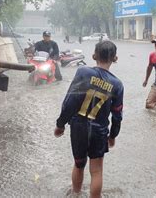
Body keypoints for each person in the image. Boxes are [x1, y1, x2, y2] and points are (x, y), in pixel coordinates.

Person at [54, 41, 124, 198]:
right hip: (99, 130)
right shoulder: (117, 84)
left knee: (79, 165)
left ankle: (76, 194)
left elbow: (70, 101)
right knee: (97, 171)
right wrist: (113, 136)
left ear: (94, 56)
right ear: (115, 58)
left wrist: (60, 124)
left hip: (78, 127)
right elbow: (117, 116)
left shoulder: (83, 72)